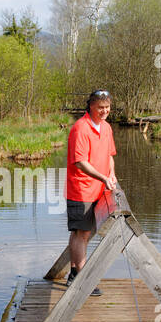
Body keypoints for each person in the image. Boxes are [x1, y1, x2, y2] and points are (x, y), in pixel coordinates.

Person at [63, 89, 118, 296]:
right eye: (100, 107)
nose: (105, 111)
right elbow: (80, 162)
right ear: (91, 106)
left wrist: (111, 174)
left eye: (107, 107)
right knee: (82, 233)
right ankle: (81, 278)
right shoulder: (81, 128)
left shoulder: (106, 128)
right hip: (81, 189)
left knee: (81, 233)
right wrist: (103, 177)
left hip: (98, 190)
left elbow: (109, 155)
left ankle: (74, 275)